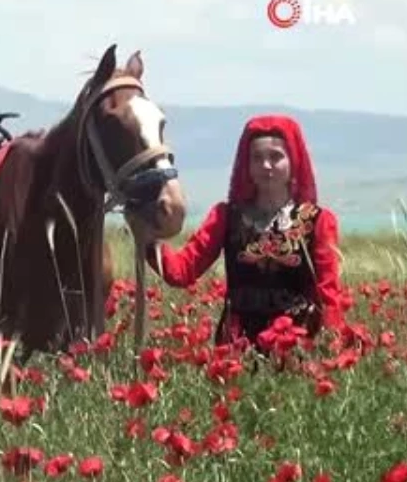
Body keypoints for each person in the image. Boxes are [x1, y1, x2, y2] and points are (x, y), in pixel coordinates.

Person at [144, 114, 345, 348]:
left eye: (276, 157)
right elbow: (182, 271)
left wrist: (332, 345)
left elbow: (328, 293)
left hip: (296, 351)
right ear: (246, 165)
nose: (266, 165)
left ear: (294, 162)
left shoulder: (317, 221)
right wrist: (148, 241)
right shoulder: (226, 217)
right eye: (257, 158)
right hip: (236, 352)